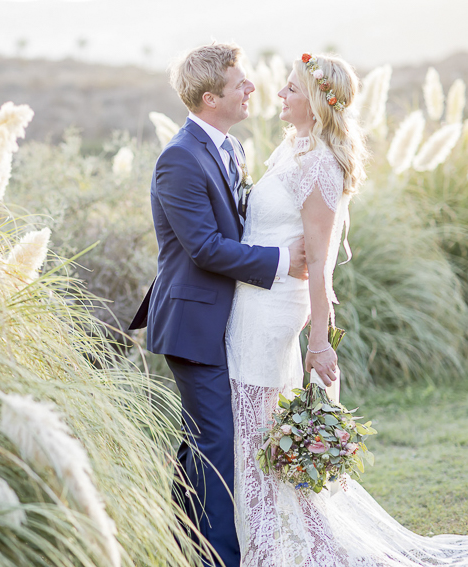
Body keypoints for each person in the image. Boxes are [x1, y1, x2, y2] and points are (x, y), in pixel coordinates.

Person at [226, 52, 468, 566]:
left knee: (255, 435)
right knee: (265, 434)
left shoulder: (319, 164)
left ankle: (271, 552)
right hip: (253, 302)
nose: (281, 94)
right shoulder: (292, 149)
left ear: (316, 101)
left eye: (292, 88)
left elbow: (320, 262)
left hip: (270, 312)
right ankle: (309, 545)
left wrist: (319, 341)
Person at [128, 42, 307, 567]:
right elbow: (204, 247)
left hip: (229, 320)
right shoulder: (179, 158)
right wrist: (283, 260)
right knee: (219, 442)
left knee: (202, 441)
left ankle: (182, 545)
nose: (251, 88)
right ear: (210, 98)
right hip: (193, 323)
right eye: (239, 83)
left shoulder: (232, 147)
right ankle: (218, 559)